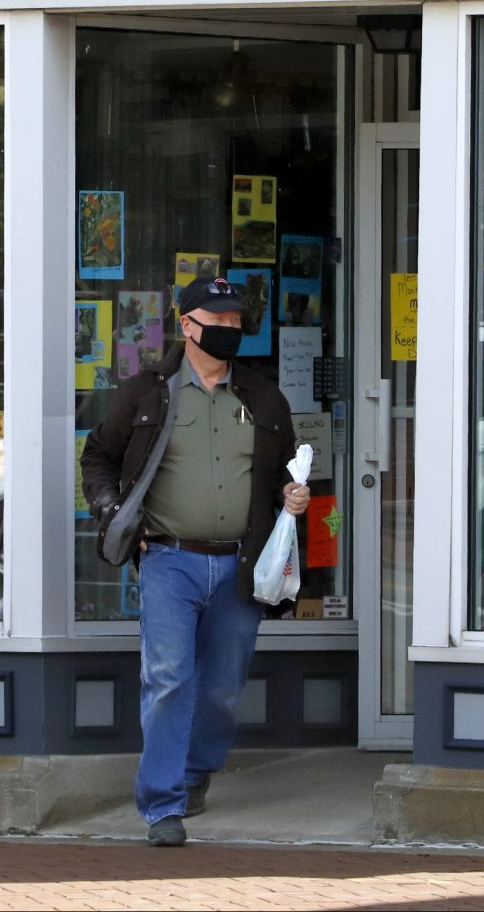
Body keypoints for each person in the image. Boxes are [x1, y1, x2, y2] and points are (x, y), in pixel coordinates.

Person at [81, 274, 310, 847]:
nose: (229, 330)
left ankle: (194, 771)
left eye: (236, 322)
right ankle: (162, 806)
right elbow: (98, 458)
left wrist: (293, 493)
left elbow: (285, 469)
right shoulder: (145, 393)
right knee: (166, 678)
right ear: (187, 326)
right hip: (168, 560)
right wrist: (114, 514)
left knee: (222, 686)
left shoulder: (263, 397)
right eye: (218, 321)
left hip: (241, 564)